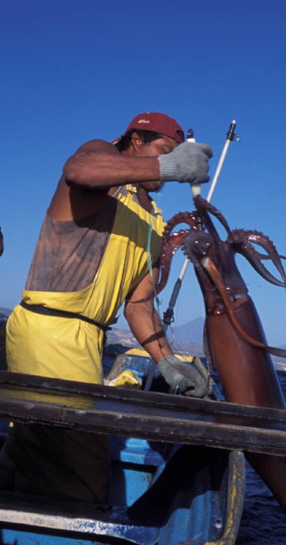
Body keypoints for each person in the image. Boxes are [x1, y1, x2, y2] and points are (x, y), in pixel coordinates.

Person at [0, 112, 213, 503]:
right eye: (164, 152)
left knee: (31, 448)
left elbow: (139, 303)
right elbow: (79, 169)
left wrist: (167, 361)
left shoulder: (154, 220)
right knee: (82, 477)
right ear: (135, 140)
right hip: (49, 330)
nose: (166, 171)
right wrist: (167, 163)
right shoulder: (100, 158)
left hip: (87, 341)